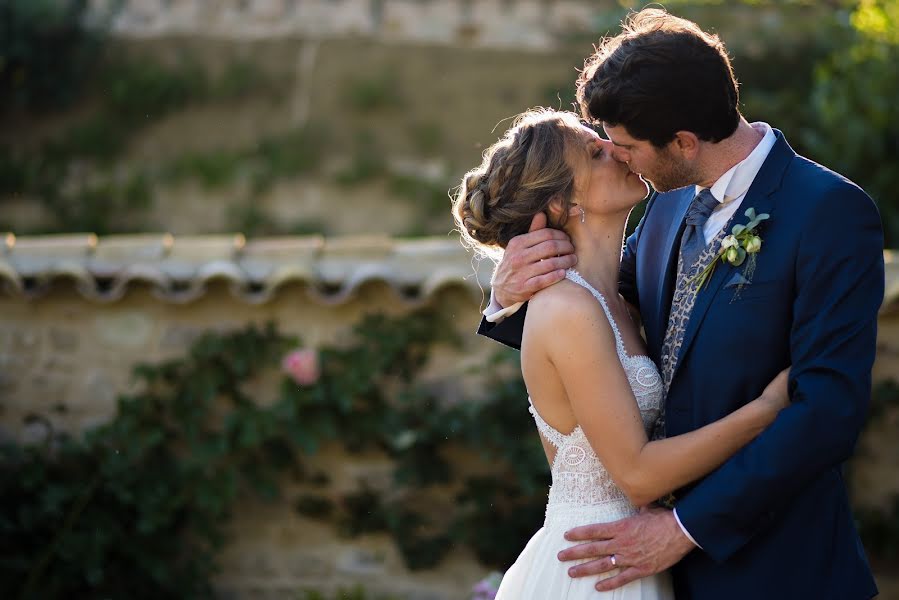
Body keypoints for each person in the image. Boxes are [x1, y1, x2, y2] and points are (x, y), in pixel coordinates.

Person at [479, 9, 883, 600]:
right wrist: (505, 299)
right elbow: (590, 319)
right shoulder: (664, 209)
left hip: (775, 569)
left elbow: (829, 411)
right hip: (644, 568)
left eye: (625, 146)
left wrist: (686, 528)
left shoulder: (827, 212)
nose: (618, 157)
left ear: (685, 142)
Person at [453, 107, 791, 599]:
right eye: (594, 151)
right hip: (595, 568)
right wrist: (765, 412)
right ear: (561, 201)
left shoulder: (623, 293)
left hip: (638, 554)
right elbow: (635, 472)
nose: (613, 148)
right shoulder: (567, 308)